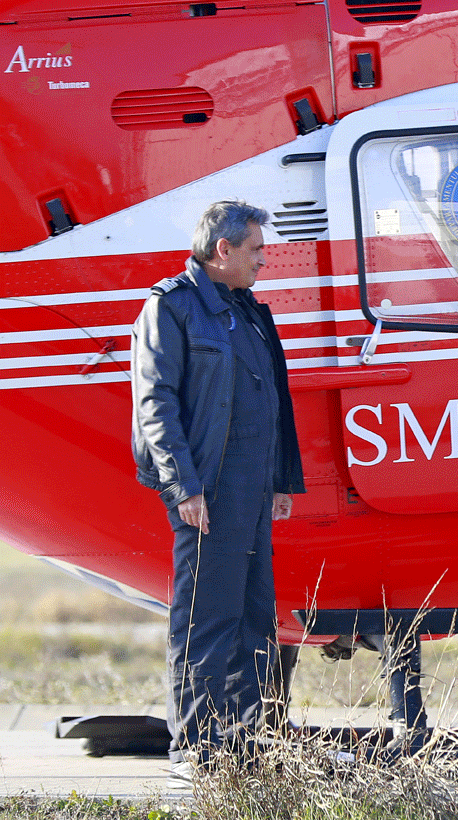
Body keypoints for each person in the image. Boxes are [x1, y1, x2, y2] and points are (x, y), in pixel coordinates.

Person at [131, 200, 304, 785]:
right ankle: (197, 750)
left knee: (255, 619)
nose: (264, 257)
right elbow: (156, 404)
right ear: (222, 250)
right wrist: (184, 485)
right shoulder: (172, 308)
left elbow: (272, 397)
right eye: (255, 248)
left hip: (254, 491)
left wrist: (281, 480)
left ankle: (251, 746)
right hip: (208, 490)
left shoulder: (249, 311)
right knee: (208, 618)